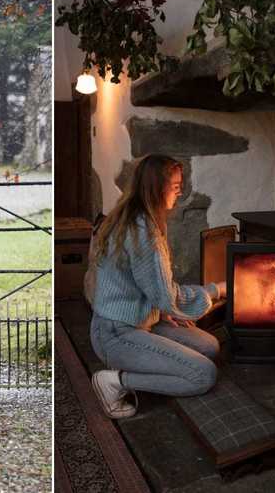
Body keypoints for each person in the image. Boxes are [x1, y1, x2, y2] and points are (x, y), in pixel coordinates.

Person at [89, 154, 227, 419]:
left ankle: (153, 362)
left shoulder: (138, 216)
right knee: (203, 374)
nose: (179, 192)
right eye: (175, 187)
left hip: (141, 321)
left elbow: (147, 286)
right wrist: (217, 289)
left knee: (209, 346)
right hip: (116, 335)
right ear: (157, 188)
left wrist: (163, 310)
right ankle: (115, 381)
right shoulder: (143, 231)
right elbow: (168, 295)